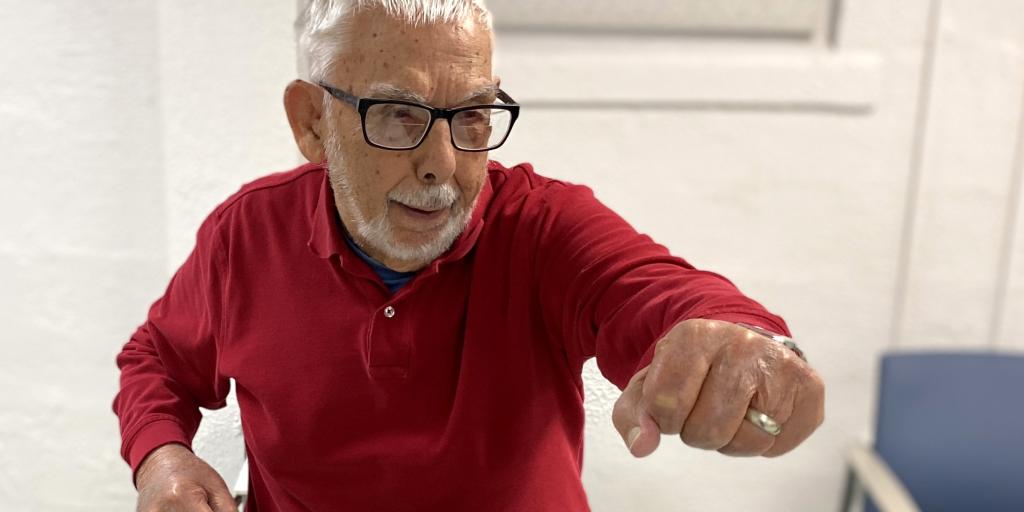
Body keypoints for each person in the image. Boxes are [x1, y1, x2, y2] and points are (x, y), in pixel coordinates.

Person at [112, 1, 825, 510]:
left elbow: (657, 294)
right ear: (313, 123)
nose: (443, 165)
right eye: (399, 115)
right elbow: (157, 358)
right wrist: (161, 457)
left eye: (473, 116)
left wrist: (751, 345)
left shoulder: (542, 228)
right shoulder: (245, 237)